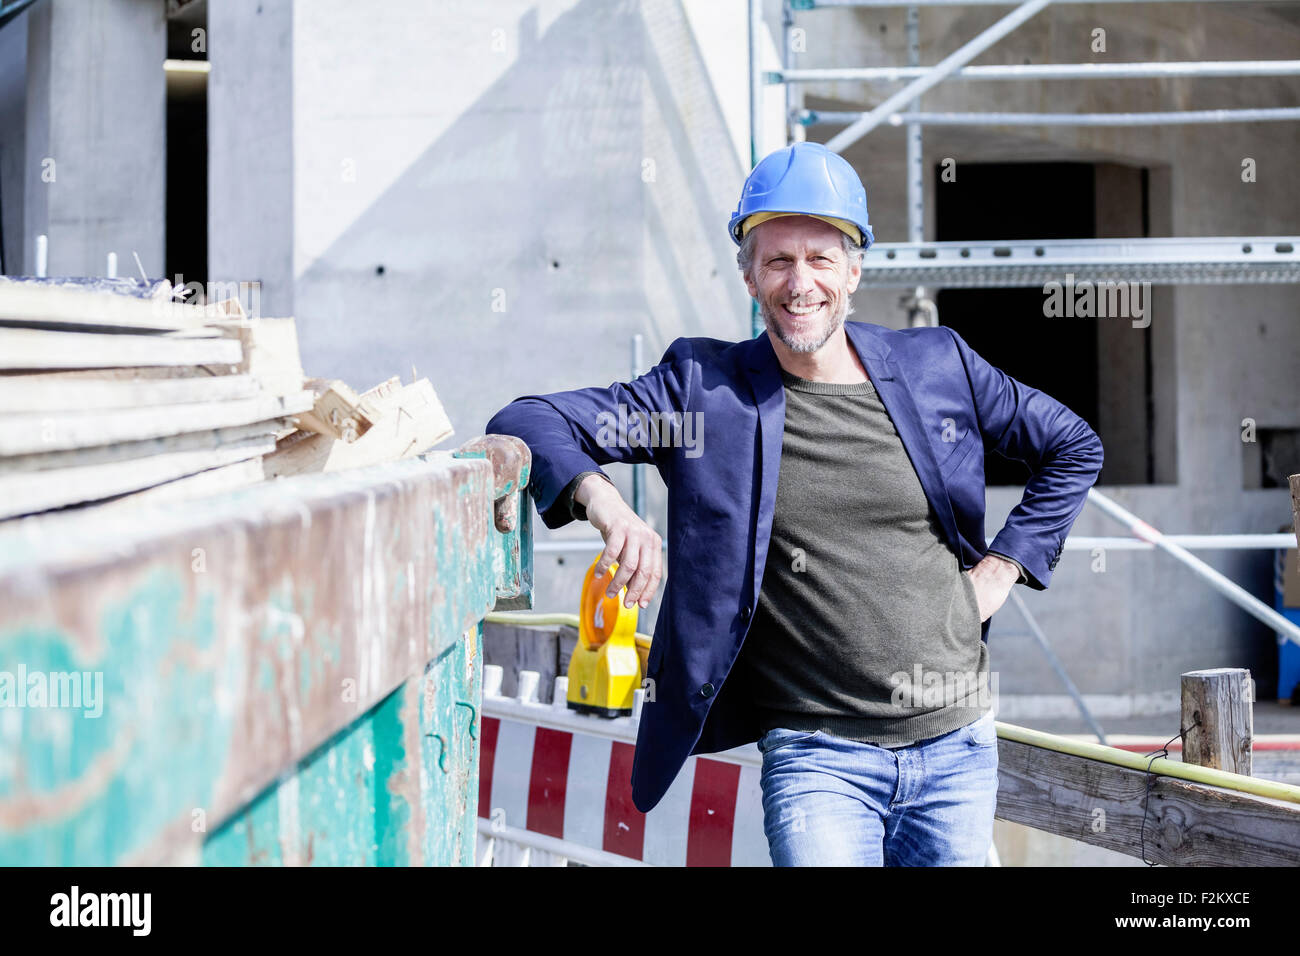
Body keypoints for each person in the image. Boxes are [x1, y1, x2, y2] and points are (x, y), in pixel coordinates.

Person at [485, 140, 1103, 865]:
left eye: (820, 258)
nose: (799, 282)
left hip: (957, 748)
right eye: (777, 260)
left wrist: (1001, 570)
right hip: (818, 763)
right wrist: (607, 505)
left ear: (855, 268)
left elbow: (1073, 446)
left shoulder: (940, 367)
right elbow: (526, 420)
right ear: (749, 275)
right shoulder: (701, 392)